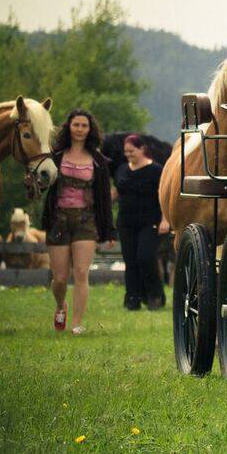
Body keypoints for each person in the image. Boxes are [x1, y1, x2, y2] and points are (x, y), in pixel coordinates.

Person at [41, 109, 116, 334]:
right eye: (76, 125)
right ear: (69, 127)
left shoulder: (99, 161)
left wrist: (109, 231)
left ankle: (76, 323)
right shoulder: (54, 157)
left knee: (82, 272)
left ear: (90, 129)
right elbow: (43, 185)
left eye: (84, 125)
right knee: (60, 278)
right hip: (59, 220)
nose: (80, 129)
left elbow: (104, 198)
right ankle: (60, 305)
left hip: (87, 220)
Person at [114, 134, 166, 310]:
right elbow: (117, 192)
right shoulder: (122, 169)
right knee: (130, 260)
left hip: (149, 221)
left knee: (145, 257)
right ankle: (133, 297)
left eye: (132, 151)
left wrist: (165, 219)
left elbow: (163, 196)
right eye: (126, 151)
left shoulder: (156, 170)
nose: (128, 154)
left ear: (142, 149)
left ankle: (155, 294)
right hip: (126, 221)